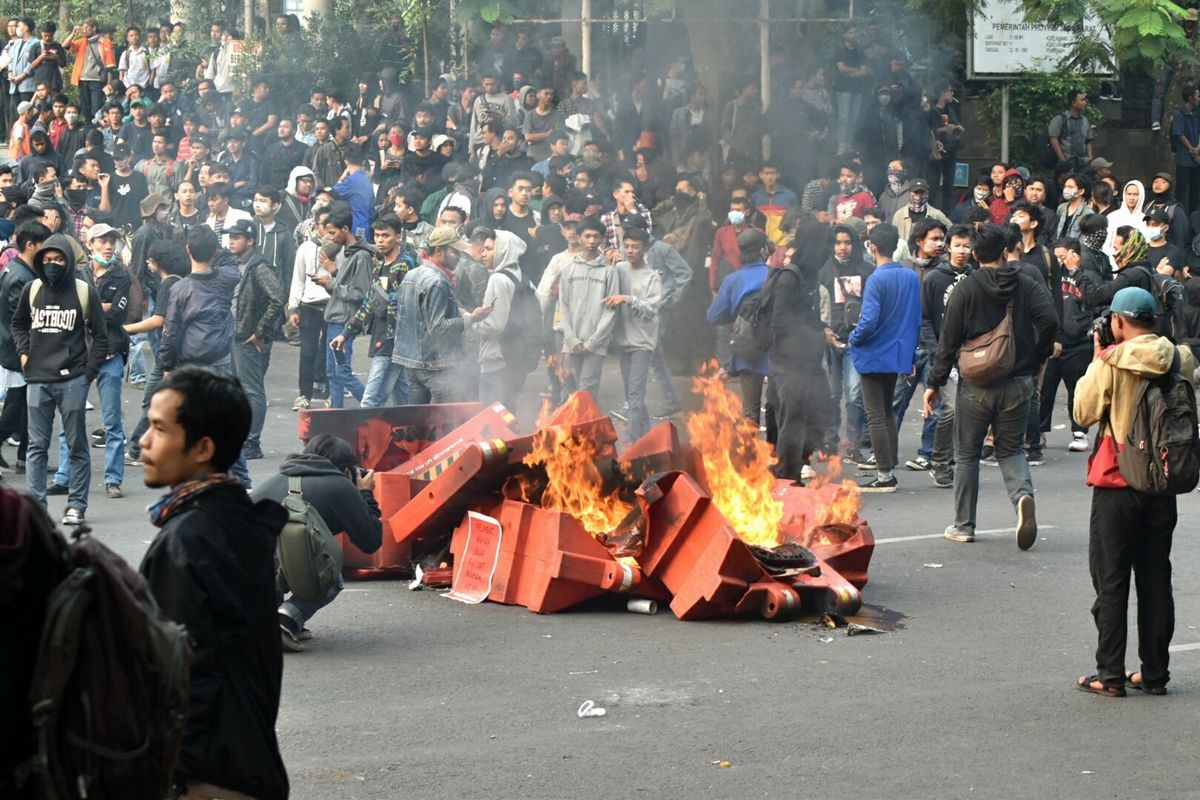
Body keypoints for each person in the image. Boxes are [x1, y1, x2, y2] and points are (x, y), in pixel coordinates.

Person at [136, 367, 289, 798]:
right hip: (250, 762)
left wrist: (172, 776)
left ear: (203, 447)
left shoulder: (188, 540)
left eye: (160, 429)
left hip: (204, 778)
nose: (144, 441)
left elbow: (182, 676)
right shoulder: (236, 519)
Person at [1071, 286, 1195, 697]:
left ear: (1118, 321)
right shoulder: (1180, 358)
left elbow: (1083, 411)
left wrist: (1097, 358)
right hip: (1163, 481)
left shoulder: (1111, 361)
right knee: (1156, 578)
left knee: (1111, 580)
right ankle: (1155, 674)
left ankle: (1109, 675)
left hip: (1117, 483)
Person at [924, 223, 1057, 548]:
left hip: (976, 383)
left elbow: (948, 341)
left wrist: (934, 382)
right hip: (1019, 380)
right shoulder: (1026, 284)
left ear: (975, 254)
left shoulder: (965, 288)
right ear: (1003, 252)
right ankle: (1022, 497)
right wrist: (1038, 358)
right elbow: (1050, 321)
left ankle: (964, 525)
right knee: (1011, 449)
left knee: (967, 454)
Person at [252, 434, 382, 652]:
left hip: (237, 572)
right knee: (331, 572)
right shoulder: (339, 486)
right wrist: (366, 493)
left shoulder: (276, 480)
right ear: (347, 468)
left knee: (275, 553)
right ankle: (286, 619)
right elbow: (370, 541)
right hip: (264, 568)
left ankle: (263, 621)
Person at [11, 234, 107, 525]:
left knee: (76, 445)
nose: (53, 264)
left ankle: (76, 505)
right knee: (36, 448)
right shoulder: (32, 288)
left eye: (59, 259)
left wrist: (86, 375)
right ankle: (37, 510)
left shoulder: (83, 291)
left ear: (68, 260)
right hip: (38, 379)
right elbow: (18, 323)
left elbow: (101, 339)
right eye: (48, 260)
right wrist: (24, 352)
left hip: (72, 380)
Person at [849, 223, 921, 492]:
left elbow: (867, 322)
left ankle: (884, 473)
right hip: (898, 352)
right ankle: (887, 465)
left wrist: (853, 339)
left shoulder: (877, 279)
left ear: (872, 247)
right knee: (887, 412)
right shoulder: (911, 277)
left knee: (876, 414)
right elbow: (915, 319)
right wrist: (910, 354)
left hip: (873, 352)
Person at [392, 226, 491, 403]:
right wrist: (471, 318)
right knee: (442, 420)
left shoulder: (412, 274)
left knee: (417, 422)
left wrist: (458, 310)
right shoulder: (437, 281)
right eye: (455, 252)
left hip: (412, 362)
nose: (460, 257)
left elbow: (414, 312)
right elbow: (438, 327)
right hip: (435, 364)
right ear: (439, 251)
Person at [769, 221, 834, 483]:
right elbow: (781, 322)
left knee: (822, 410)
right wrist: (819, 336)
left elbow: (808, 317)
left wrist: (824, 331)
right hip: (787, 361)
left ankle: (794, 464)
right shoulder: (789, 278)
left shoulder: (810, 277)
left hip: (807, 360)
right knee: (793, 418)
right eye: (825, 246)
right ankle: (787, 476)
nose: (828, 252)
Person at [331, 214, 415, 408]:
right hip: (381, 337)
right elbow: (369, 302)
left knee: (371, 402)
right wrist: (346, 333)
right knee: (404, 400)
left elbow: (410, 304)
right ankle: (411, 432)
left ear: (397, 236)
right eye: (377, 235)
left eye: (385, 236)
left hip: (392, 342)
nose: (380, 240)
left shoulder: (406, 264)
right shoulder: (378, 264)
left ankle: (367, 438)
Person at [125, 239, 189, 466]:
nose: (148, 263)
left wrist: (127, 329)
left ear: (160, 261)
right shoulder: (181, 282)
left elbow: (158, 319)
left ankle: (137, 449)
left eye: (151, 259)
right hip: (179, 351)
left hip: (168, 354)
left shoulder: (168, 284)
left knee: (152, 401)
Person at [226, 218, 284, 460]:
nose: (231, 241)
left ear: (250, 240)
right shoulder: (235, 263)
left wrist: (259, 332)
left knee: (252, 390)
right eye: (230, 236)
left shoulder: (259, 267)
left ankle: (252, 442)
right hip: (234, 336)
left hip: (247, 339)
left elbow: (278, 299)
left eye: (236, 237)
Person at [83, 222, 132, 499]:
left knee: (112, 423)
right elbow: (71, 308)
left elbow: (117, 316)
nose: (108, 246)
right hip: (79, 355)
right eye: (102, 241)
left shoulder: (121, 276)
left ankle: (113, 479)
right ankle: (66, 476)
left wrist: (88, 307)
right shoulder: (78, 272)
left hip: (111, 355)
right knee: (71, 420)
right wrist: (101, 306)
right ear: (90, 244)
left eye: (112, 241)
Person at [0, 222, 49, 478]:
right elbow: (22, 317)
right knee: (18, 404)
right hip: (19, 348)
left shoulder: (18, 269)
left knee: (27, 403)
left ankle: (25, 456)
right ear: (30, 245)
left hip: (17, 346)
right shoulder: (20, 276)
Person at [706, 229, 770, 424]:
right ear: (763, 250)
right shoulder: (775, 275)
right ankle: (777, 452)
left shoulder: (733, 280)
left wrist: (736, 314)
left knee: (750, 411)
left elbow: (713, 316)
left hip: (746, 351)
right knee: (777, 408)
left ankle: (752, 454)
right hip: (776, 350)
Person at [608, 227, 663, 440]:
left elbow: (651, 309)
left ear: (645, 249)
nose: (630, 251)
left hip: (642, 343)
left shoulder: (652, 277)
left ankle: (632, 442)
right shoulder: (619, 268)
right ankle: (649, 438)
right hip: (623, 342)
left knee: (635, 394)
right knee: (631, 394)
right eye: (627, 246)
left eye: (635, 247)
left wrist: (628, 299)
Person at [558, 217, 619, 399]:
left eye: (596, 237)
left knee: (587, 391)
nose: (592, 241)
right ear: (579, 238)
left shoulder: (609, 272)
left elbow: (611, 311)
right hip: (571, 343)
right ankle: (563, 427)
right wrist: (570, 338)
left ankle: (585, 427)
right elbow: (564, 305)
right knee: (568, 390)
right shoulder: (569, 269)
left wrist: (593, 341)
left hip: (596, 344)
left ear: (601, 239)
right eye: (587, 236)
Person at [1169, 84, 1200, 214]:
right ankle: (1180, 216)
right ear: (1190, 98)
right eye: (1198, 96)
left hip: (1197, 158)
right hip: (1184, 159)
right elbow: (1180, 134)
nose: (1199, 99)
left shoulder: (1197, 114)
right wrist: (1193, 151)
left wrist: (1198, 148)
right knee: (1181, 190)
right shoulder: (1179, 114)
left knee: (1195, 190)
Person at [1048, 89, 1093, 172]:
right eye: (1082, 100)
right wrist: (1062, 159)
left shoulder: (1085, 120)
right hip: (1067, 161)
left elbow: (1088, 140)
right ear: (1073, 103)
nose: (1085, 103)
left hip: (1083, 162)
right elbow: (1053, 138)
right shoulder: (1060, 119)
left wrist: (1090, 157)